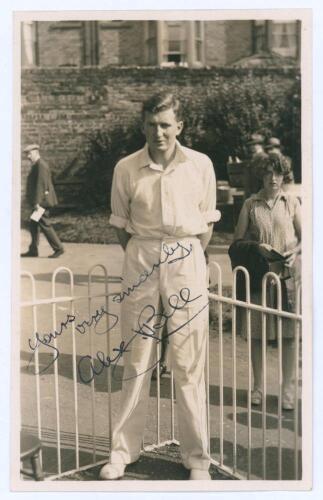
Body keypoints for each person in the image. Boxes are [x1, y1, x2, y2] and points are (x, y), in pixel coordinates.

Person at [100, 92, 220, 481]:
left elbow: (206, 225)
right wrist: (147, 254)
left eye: (166, 124)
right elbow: (122, 227)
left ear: (179, 126)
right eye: (151, 124)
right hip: (142, 256)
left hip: (186, 258)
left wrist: (183, 256)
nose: (159, 132)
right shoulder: (126, 168)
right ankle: (123, 452)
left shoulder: (200, 165)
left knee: (188, 362)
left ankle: (197, 458)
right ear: (143, 126)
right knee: (137, 360)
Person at [232, 152, 301, 410]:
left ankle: (287, 391)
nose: (274, 178)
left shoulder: (291, 202)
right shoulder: (251, 204)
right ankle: (258, 387)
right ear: (260, 175)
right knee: (258, 334)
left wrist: (296, 253)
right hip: (261, 277)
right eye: (268, 173)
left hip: (287, 276)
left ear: (285, 175)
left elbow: (308, 238)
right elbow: (237, 242)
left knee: (289, 335)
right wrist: (255, 247)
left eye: (279, 173)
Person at [21, 144, 64, 258]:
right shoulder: (37, 165)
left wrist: (37, 203)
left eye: (29, 154)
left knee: (44, 223)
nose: (28, 157)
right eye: (27, 154)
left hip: (42, 202)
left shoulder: (40, 166)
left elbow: (41, 185)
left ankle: (58, 248)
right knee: (33, 223)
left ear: (35, 152)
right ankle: (33, 250)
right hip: (41, 201)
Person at [243, 133, 267, 199]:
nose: (251, 147)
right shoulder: (252, 158)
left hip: (259, 196)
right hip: (251, 196)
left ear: (260, 145)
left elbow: (265, 179)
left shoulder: (263, 158)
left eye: (254, 144)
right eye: (250, 145)